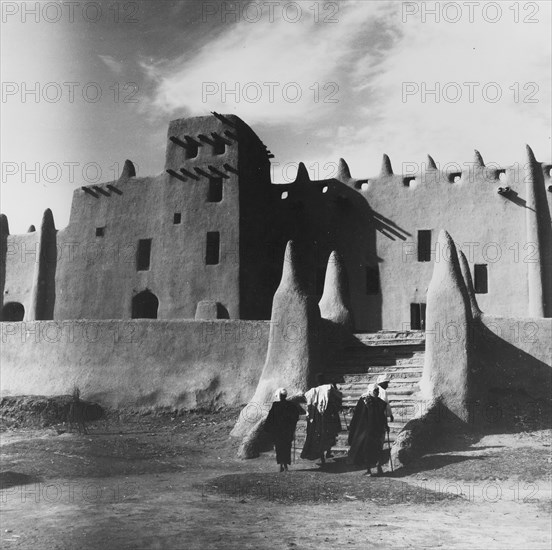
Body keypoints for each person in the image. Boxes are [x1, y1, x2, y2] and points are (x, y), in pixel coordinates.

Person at [347, 383, 389, 476]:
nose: (377, 392)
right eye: (375, 391)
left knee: (376, 449)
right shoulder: (364, 401)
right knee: (366, 450)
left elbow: (382, 415)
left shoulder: (380, 402)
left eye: (378, 391)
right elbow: (358, 415)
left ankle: (378, 468)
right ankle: (369, 470)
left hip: (376, 429)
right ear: (370, 391)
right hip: (365, 430)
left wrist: (386, 425)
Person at [300, 377, 343, 464]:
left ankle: (324, 454)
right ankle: (326, 453)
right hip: (327, 418)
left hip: (319, 418)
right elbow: (338, 397)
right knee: (327, 435)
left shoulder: (315, 391)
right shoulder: (328, 390)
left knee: (322, 436)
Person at [264, 388, 304, 472]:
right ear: (285, 396)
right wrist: (292, 425)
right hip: (287, 430)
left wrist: (268, 428)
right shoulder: (291, 405)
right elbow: (296, 416)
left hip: (278, 430)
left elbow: (270, 417)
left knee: (279, 447)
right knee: (286, 447)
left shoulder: (276, 405)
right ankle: (285, 464)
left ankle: (281, 464)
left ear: (279, 396)